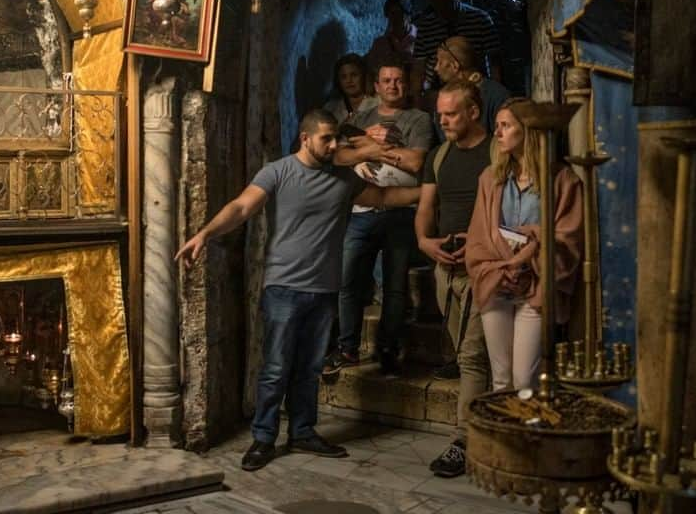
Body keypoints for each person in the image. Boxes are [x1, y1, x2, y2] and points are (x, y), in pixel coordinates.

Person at [176, 109, 420, 472]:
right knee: (275, 368)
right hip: (284, 288)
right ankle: (263, 437)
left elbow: (383, 198)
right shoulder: (278, 171)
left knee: (309, 368)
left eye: (336, 137)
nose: (334, 144)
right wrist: (205, 234)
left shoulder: (344, 179)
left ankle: (303, 432)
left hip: (324, 291)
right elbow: (242, 207)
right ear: (306, 139)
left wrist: (433, 190)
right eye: (327, 138)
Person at [465, 98, 584, 392]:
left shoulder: (562, 179)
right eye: (497, 126)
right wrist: (502, 267)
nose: (497, 133)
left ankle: (529, 435)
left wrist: (529, 250)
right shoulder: (490, 179)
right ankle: (503, 438)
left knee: (524, 380)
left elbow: (567, 237)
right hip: (497, 284)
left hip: (535, 288)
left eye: (505, 126)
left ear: (527, 131)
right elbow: (479, 236)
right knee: (501, 379)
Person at [328, 59, 435, 375]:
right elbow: (337, 155)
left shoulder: (419, 119)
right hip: (360, 212)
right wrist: (372, 152)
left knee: (395, 285)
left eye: (398, 80)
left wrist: (371, 145)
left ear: (406, 85)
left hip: (400, 212)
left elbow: (416, 163)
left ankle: (388, 347)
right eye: (386, 80)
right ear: (376, 86)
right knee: (347, 281)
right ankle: (347, 348)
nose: (392, 86)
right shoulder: (360, 116)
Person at [413, 79, 493, 478]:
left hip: (487, 270)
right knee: (470, 355)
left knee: (473, 357)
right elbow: (426, 206)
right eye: (440, 113)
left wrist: (481, 247)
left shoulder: (498, 151)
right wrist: (425, 242)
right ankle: (490, 428)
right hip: (446, 269)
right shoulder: (439, 156)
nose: (442, 120)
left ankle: (464, 442)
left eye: (451, 114)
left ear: (473, 112)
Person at [411, 0, 503, 82]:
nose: (441, 2)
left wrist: (493, 91)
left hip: (475, 87)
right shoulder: (426, 27)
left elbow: (495, 61)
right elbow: (419, 66)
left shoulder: (480, 19)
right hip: (441, 90)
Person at [434, 35, 511, 136]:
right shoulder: (445, 100)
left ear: (454, 66)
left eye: (440, 62)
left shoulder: (496, 95)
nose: (435, 68)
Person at [365, 0, 415, 79]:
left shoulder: (420, 38)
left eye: (399, 12)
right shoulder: (380, 44)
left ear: (406, 13)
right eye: (392, 13)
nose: (396, 17)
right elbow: (370, 68)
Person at [322, 53, 378, 124]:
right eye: (343, 77)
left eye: (354, 75)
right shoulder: (330, 108)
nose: (349, 81)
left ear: (364, 76)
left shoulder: (378, 103)